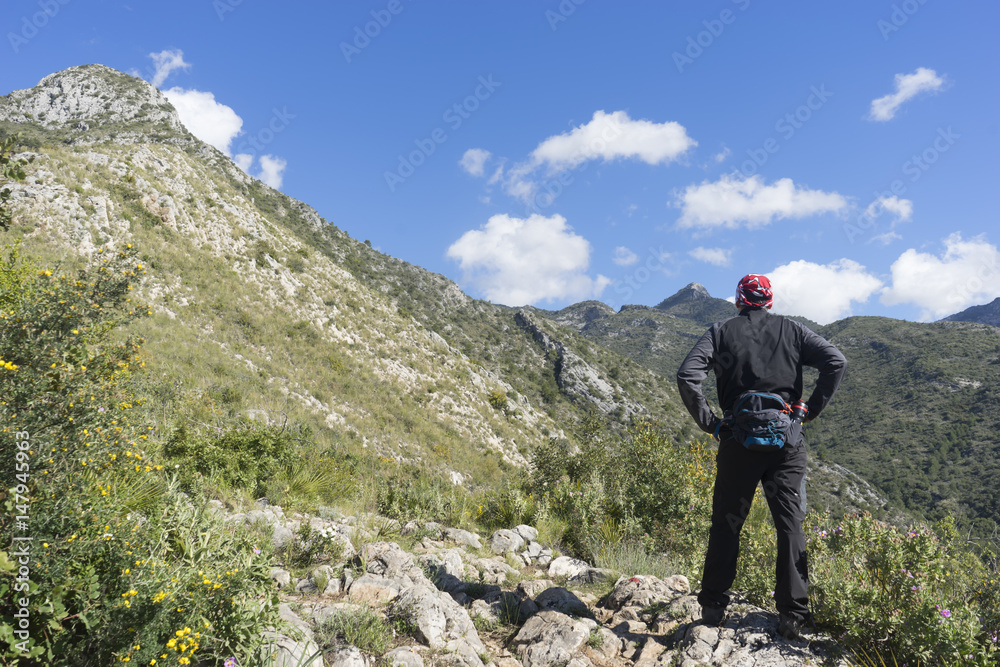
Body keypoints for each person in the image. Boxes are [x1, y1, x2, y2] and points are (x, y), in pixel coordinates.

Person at [676, 273, 846, 640]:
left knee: (727, 522)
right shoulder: (794, 331)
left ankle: (713, 607)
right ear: (769, 301)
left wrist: (713, 425)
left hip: (738, 440)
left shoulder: (720, 331)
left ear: (739, 300)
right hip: (786, 440)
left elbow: (687, 376)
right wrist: (807, 411)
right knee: (789, 525)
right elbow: (836, 361)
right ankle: (792, 615)